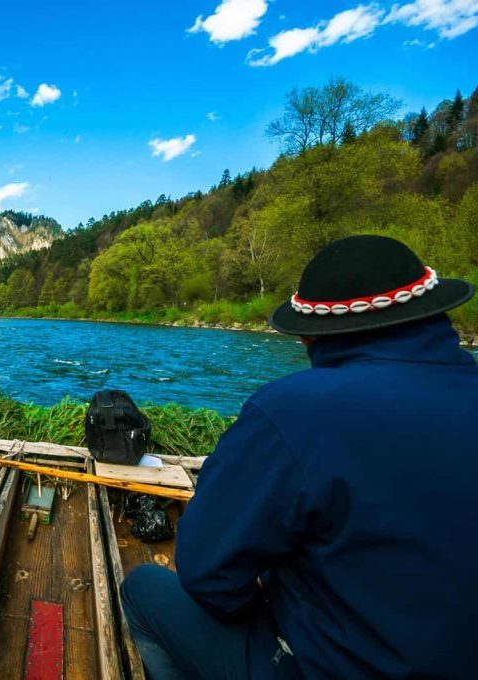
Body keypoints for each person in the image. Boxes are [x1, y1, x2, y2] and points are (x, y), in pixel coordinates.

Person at [121, 235, 478, 679]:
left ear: (312, 335)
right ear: (433, 313)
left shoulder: (294, 409)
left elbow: (206, 575)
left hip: (326, 668)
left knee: (142, 587)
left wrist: (266, 602)